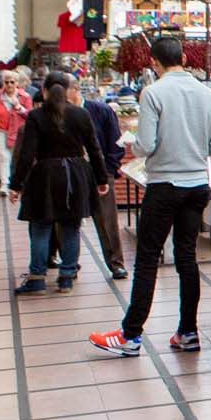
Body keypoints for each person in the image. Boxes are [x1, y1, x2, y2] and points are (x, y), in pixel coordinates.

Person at [90, 34, 211, 358]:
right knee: (187, 258)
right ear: (186, 59)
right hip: (196, 187)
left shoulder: (153, 93)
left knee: (148, 258)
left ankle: (130, 335)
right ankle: (188, 332)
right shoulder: (208, 95)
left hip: (164, 185)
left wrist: (132, 146)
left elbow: (146, 145)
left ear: (154, 62)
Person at [7, 71, 109, 294]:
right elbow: (94, 149)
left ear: (43, 91)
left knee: (40, 226)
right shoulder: (81, 114)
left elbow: (27, 154)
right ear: (68, 91)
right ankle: (66, 276)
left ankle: (37, 278)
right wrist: (101, 179)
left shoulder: (36, 117)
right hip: (76, 174)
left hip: (44, 175)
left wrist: (16, 185)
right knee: (71, 226)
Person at [72, 77, 128, 279]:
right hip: (73, 173)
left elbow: (115, 142)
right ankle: (69, 263)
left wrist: (109, 169)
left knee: (106, 218)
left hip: (101, 172)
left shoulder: (101, 110)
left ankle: (116, 263)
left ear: (75, 89)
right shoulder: (62, 114)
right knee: (69, 219)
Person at [0, 74, 31, 193]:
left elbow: (30, 115)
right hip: (0, 129)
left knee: (16, 157)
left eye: (12, 82)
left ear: (17, 83)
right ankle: (4, 184)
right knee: (3, 156)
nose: (9, 85)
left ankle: (16, 183)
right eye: (6, 82)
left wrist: (18, 107)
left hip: (17, 131)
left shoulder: (24, 96)